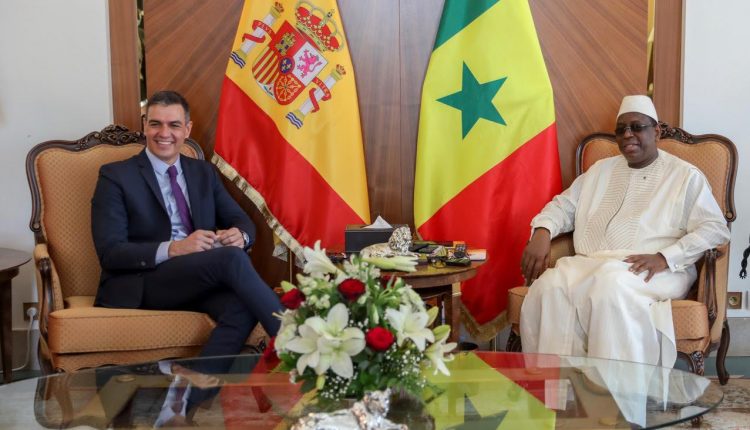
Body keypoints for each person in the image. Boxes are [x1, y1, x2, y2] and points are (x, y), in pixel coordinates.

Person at [519, 95, 730, 367]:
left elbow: (714, 228)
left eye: (636, 127)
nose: (628, 134)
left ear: (656, 131)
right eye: (621, 130)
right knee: (548, 288)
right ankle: (556, 392)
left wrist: (666, 256)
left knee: (610, 286)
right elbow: (563, 206)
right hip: (591, 264)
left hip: (657, 269)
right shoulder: (599, 170)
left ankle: (612, 397)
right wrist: (543, 231)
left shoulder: (684, 176)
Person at [91, 90, 282, 359]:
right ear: (144, 125)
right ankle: (296, 343)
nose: (163, 133)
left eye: (174, 125)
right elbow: (110, 253)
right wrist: (175, 248)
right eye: (155, 123)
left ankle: (195, 389)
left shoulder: (203, 172)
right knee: (231, 259)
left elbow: (242, 221)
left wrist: (240, 235)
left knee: (242, 307)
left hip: (196, 279)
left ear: (187, 129)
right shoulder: (116, 176)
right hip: (144, 281)